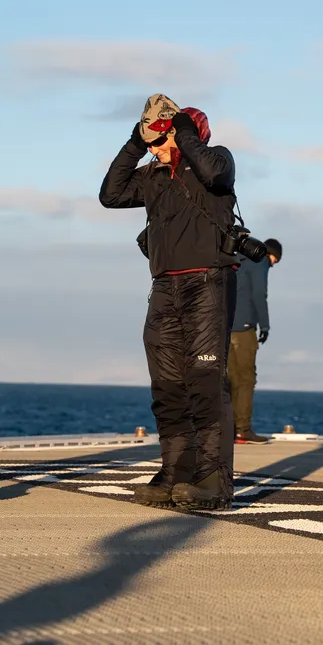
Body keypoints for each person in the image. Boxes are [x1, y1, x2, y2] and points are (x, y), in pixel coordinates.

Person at [100, 94, 238, 511]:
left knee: (205, 382)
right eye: (152, 142)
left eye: (162, 140)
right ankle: (176, 472)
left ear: (185, 133)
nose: (156, 148)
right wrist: (135, 142)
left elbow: (214, 173)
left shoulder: (217, 159)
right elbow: (110, 194)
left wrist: (185, 135)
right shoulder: (154, 176)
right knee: (168, 385)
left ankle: (213, 480)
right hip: (164, 287)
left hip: (207, 283)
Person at [228, 239, 282, 443]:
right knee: (246, 379)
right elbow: (259, 294)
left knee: (230, 379)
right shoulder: (260, 261)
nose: (273, 265)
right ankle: (243, 429)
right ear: (270, 253)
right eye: (275, 260)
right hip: (244, 327)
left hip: (225, 325)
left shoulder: (237, 259)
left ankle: (228, 428)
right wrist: (265, 325)